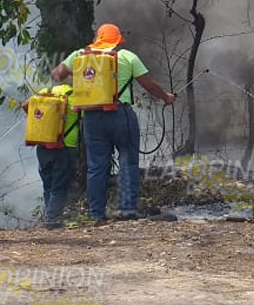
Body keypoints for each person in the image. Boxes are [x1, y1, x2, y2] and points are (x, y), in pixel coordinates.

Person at [51, 23, 175, 221]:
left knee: (96, 166)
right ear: (117, 40)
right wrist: (166, 97)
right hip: (120, 114)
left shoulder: (80, 56)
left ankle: (96, 214)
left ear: (97, 38)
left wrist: (83, 81)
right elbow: (149, 86)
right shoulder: (127, 57)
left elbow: (57, 74)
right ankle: (127, 210)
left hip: (92, 118)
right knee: (128, 162)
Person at [21, 84, 81, 229]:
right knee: (59, 186)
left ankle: (50, 217)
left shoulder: (44, 92)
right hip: (65, 145)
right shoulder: (73, 94)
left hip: (43, 146)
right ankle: (52, 220)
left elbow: (26, 106)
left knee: (48, 185)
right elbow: (83, 112)